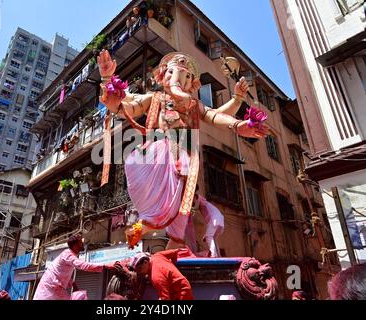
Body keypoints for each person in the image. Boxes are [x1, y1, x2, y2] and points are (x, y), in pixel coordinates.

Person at [98, 50, 268, 250]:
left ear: (192, 84)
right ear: (162, 77)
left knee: (182, 208)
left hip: (185, 160)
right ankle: (145, 227)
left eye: (187, 76)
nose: (179, 79)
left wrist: (238, 115)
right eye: (172, 72)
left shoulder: (194, 105)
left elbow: (215, 115)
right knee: (165, 198)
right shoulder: (155, 98)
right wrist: (107, 79)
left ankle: (171, 247)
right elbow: (128, 105)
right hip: (157, 156)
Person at [33, 233, 114, 300]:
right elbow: (83, 265)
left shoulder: (69, 255)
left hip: (54, 288)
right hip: (49, 289)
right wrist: (105, 266)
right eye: (80, 242)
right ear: (75, 245)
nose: (83, 243)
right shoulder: (68, 254)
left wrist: (73, 284)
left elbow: (61, 273)